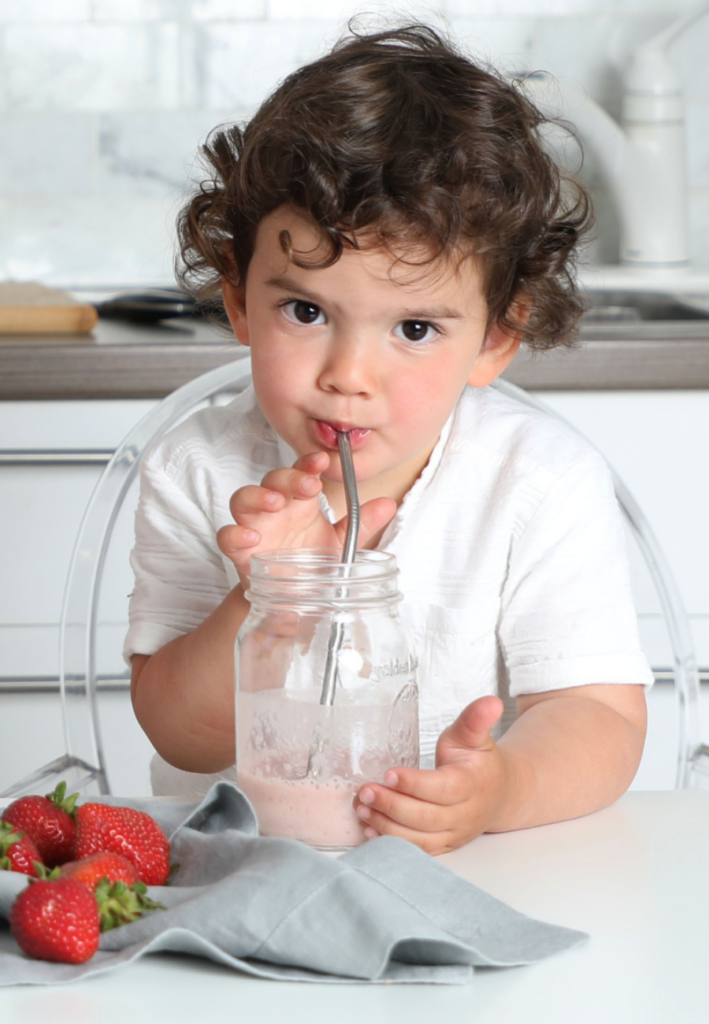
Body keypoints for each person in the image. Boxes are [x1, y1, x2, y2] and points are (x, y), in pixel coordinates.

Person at [125, 24, 652, 855]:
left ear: (495, 339)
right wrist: (269, 604)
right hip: (233, 870)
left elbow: (599, 717)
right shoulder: (194, 468)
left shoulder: (537, 480)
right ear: (238, 300)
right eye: (305, 311)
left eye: (412, 328)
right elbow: (178, 737)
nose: (348, 375)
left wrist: (499, 789)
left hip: (454, 876)